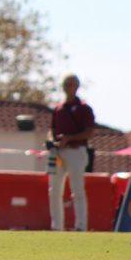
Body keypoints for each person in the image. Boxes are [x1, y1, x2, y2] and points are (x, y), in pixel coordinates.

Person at [48, 74, 95, 231]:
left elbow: (89, 132)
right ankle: (56, 226)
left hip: (76, 152)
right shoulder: (58, 109)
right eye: (66, 84)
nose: (68, 88)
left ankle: (80, 226)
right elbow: (52, 129)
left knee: (77, 189)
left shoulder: (84, 108)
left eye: (71, 84)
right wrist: (52, 141)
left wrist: (70, 138)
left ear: (76, 86)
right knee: (54, 190)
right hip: (59, 153)